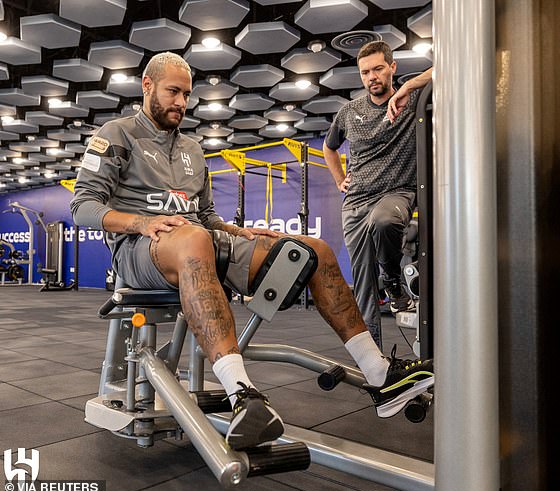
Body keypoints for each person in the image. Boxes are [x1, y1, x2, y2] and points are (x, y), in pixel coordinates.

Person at [71, 52, 433, 452]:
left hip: (199, 240)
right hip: (141, 251)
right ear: (147, 85)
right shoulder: (117, 133)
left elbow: (205, 215)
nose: (181, 103)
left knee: (313, 249)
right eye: (173, 92)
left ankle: (379, 375)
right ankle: (243, 395)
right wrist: (141, 223)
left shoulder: (193, 149)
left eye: (186, 95)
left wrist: (237, 231)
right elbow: (83, 206)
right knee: (194, 239)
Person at [323, 41, 432, 348]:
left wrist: (409, 86)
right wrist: (339, 180)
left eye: (378, 69)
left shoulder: (412, 100)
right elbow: (329, 148)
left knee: (384, 221)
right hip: (356, 201)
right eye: (365, 72)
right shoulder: (349, 112)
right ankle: (375, 365)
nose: (372, 77)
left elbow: (448, 67)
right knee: (363, 289)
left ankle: (394, 283)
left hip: (397, 191)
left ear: (392, 67)